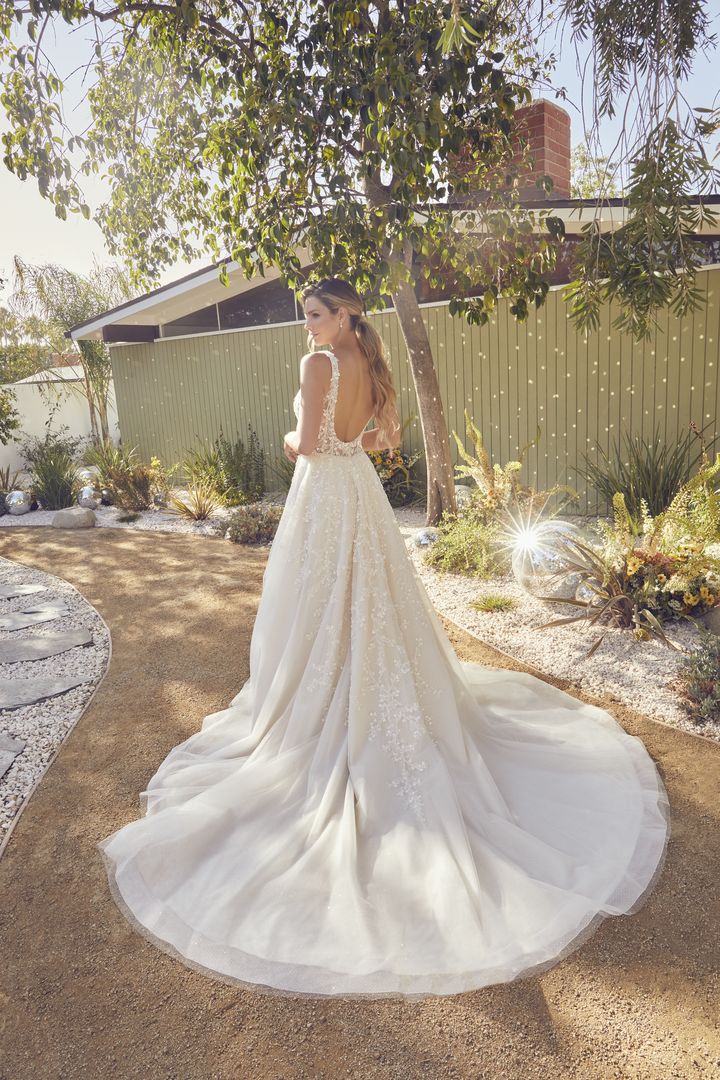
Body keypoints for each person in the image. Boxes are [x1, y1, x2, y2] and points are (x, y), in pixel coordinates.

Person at [97, 277, 671, 1000]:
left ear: (344, 316)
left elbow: (305, 446)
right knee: (371, 602)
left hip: (325, 497)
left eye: (314, 314)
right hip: (360, 492)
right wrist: (350, 440)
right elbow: (385, 441)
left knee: (319, 606)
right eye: (303, 315)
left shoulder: (319, 365)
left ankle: (325, 701)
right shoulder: (372, 364)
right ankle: (364, 691)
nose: (304, 324)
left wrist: (293, 435)